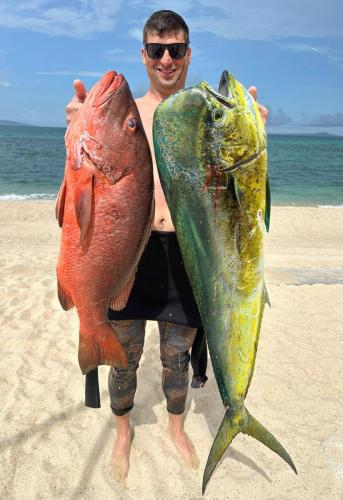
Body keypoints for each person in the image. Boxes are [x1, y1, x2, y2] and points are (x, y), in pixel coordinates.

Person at [65, 9, 268, 483]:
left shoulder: (204, 113)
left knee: (176, 355)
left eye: (176, 49)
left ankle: (176, 427)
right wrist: (76, 127)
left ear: (188, 53)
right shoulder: (125, 114)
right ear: (144, 54)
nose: (167, 59)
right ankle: (122, 432)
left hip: (187, 253)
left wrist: (254, 133)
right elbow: (88, 176)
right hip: (130, 252)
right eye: (157, 50)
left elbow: (236, 175)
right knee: (125, 352)